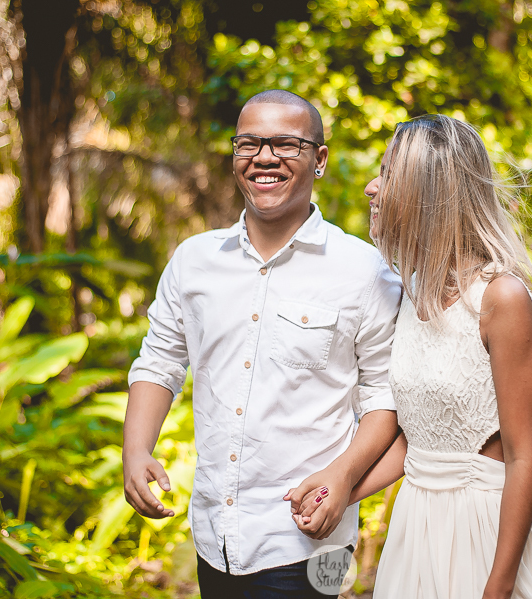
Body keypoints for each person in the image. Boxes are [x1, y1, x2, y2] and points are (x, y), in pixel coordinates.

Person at [290, 115, 532, 598]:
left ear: (428, 190)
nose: (372, 188)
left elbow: (524, 458)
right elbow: (420, 439)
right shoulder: (412, 294)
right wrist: (341, 491)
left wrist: (498, 587)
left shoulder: (501, 299)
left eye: (388, 173)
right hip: (418, 527)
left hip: (487, 529)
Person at [122, 89, 402, 598]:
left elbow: (385, 402)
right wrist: (136, 447)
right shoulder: (194, 261)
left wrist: (341, 480)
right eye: (248, 144)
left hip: (315, 539)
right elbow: (160, 359)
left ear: (318, 160)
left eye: (285, 145)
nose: (264, 157)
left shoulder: (366, 272)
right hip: (215, 535)